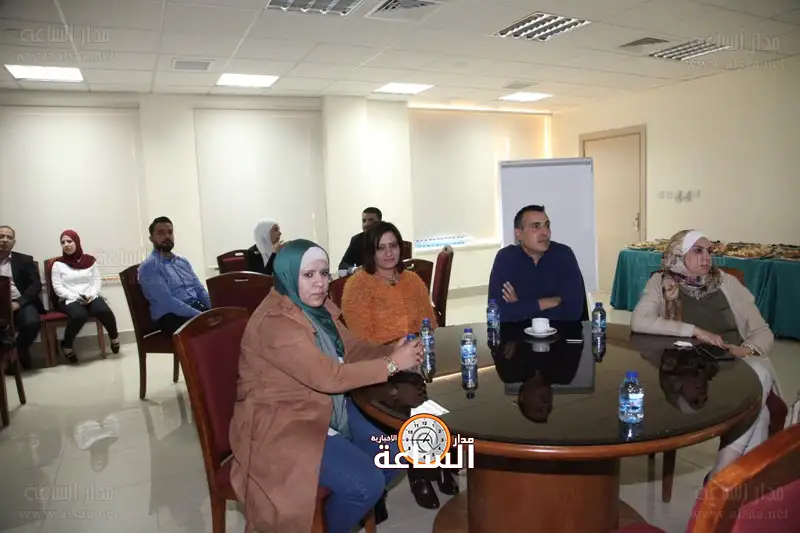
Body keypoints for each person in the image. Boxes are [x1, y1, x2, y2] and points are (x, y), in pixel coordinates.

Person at [228, 239, 423, 533]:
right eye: (308, 274)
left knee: (395, 452)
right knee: (366, 484)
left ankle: (332, 516)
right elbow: (330, 377)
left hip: (326, 408)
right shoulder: (276, 322)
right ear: (287, 275)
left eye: (323, 273)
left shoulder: (314, 308)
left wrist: (388, 352)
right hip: (284, 423)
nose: (320, 283)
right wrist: (392, 364)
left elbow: (350, 347)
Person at [630, 229, 779, 480]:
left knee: (760, 372)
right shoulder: (662, 283)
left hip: (735, 360)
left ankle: (719, 478)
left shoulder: (726, 283)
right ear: (678, 254)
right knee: (759, 414)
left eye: (709, 251)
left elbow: (762, 331)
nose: (706, 257)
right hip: (690, 368)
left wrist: (746, 349)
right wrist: (696, 331)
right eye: (697, 251)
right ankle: (734, 483)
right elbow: (639, 321)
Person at [341, 221, 457, 509]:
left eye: (393, 246)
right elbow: (360, 341)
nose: (389, 253)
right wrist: (396, 353)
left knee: (445, 395)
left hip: (417, 357)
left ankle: (440, 460)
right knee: (409, 399)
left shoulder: (412, 280)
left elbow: (430, 323)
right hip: (380, 366)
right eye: (381, 248)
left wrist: (420, 347)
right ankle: (419, 473)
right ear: (370, 252)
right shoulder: (357, 286)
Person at [488, 205, 586, 323]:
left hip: (561, 332)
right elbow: (497, 313)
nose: (545, 232)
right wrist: (549, 302)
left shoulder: (564, 255)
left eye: (547, 226)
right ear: (519, 234)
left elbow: (573, 311)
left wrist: (520, 307)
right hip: (517, 334)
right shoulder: (506, 258)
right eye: (535, 226)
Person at [51, 229, 120, 362]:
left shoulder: (90, 261)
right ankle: (66, 346)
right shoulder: (58, 265)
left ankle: (114, 337)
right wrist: (76, 297)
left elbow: (96, 281)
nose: (66, 245)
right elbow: (57, 287)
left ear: (77, 242)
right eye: (63, 242)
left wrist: (91, 295)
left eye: (69, 241)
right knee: (79, 315)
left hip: (91, 295)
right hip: (69, 298)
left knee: (103, 310)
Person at [138, 217, 211, 335]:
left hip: (193, 309)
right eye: (161, 233)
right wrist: (201, 316)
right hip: (171, 316)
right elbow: (168, 302)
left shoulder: (183, 262)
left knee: (228, 321)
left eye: (170, 232)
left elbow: (199, 290)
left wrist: (214, 308)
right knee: (212, 330)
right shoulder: (149, 267)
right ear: (152, 239)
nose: (167, 236)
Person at [0, 225, 44, 370]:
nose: (5, 240)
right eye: (1, 236)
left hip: (21, 302)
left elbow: (36, 284)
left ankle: (20, 350)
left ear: (14, 242)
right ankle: (5, 357)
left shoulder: (24, 260)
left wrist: (19, 303)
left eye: (9, 237)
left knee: (32, 322)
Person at [338, 207, 382, 271]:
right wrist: (354, 269)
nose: (366, 224)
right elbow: (343, 265)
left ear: (380, 223)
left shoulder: (389, 238)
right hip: (363, 276)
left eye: (371, 220)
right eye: (364, 221)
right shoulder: (357, 240)